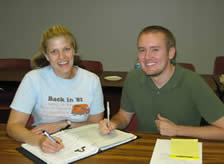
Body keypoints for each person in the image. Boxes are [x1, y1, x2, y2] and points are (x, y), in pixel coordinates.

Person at [99, 25, 224, 140]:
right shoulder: (133, 78)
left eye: (155, 50)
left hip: (183, 151)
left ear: (171, 53)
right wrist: (113, 123)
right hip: (144, 147)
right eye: (142, 50)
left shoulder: (193, 82)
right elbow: (124, 116)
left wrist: (178, 130)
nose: (147, 57)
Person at [7, 25, 105, 153]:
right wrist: (39, 141)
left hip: (83, 144)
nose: (62, 56)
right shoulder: (33, 79)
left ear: (74, 50)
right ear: (46, 56)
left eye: (66, 49)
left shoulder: (92, 80)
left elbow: (95, 124)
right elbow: (13, 126)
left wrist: (64, 124)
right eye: (54, 51)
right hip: (44, 145)